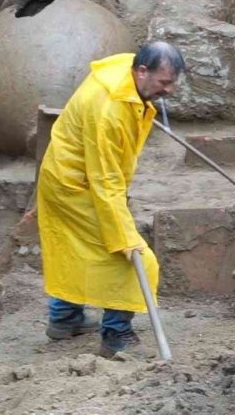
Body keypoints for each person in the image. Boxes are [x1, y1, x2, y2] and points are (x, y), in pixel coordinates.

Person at [37, 42, 185, 358]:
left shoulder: (126, 76)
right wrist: (124, 237)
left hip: (70, 175)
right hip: (76, 185)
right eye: (164, 83)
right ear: (142, 71)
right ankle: (116, 334)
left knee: (75, 248)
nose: (169, 91)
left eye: (172, 83)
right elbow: (105, 182)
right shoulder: (107, 109)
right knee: (131, 258)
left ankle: (64, 319)